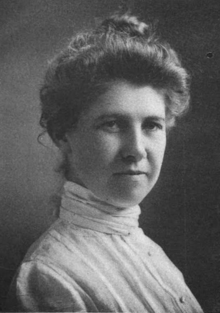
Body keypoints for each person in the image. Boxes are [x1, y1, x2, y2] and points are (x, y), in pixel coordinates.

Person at [6, 13, 204, 312]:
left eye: (152, 125)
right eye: (112, 124)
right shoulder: (49, 277)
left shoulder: (148, 250)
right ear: (63, 134)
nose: (136, 150)